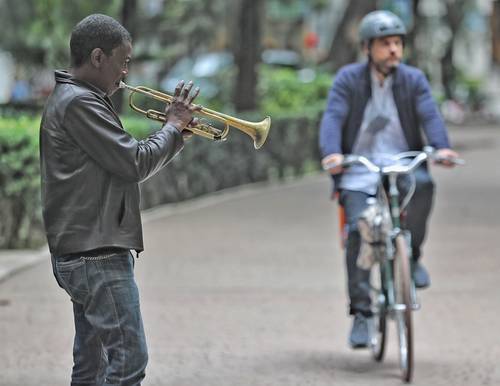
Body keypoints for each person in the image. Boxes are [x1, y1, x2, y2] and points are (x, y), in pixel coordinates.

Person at [39, 14, 200, 385]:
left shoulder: (77, 98)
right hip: (96, 254)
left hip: (85, 249)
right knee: (128, 360)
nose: (125, 72)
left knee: (92, 367)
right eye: (123, 61)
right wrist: (173, 127)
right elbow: (135, 161)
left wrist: (174, 134)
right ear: (98, 57)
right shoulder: (80, 102)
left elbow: (127, 158)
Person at [319, 10, 459, 349]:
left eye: (398, 43)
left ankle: (412, 257)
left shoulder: (413, 79)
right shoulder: (348, 79)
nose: (394, 50)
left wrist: (442, 148)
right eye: (386, 44)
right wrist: (332, 153)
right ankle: (363, 314)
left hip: (401, 164)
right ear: (368, 47)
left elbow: (429, 114)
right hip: (359, 167)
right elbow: (333, 117)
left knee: (424, 185)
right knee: (358, 231)